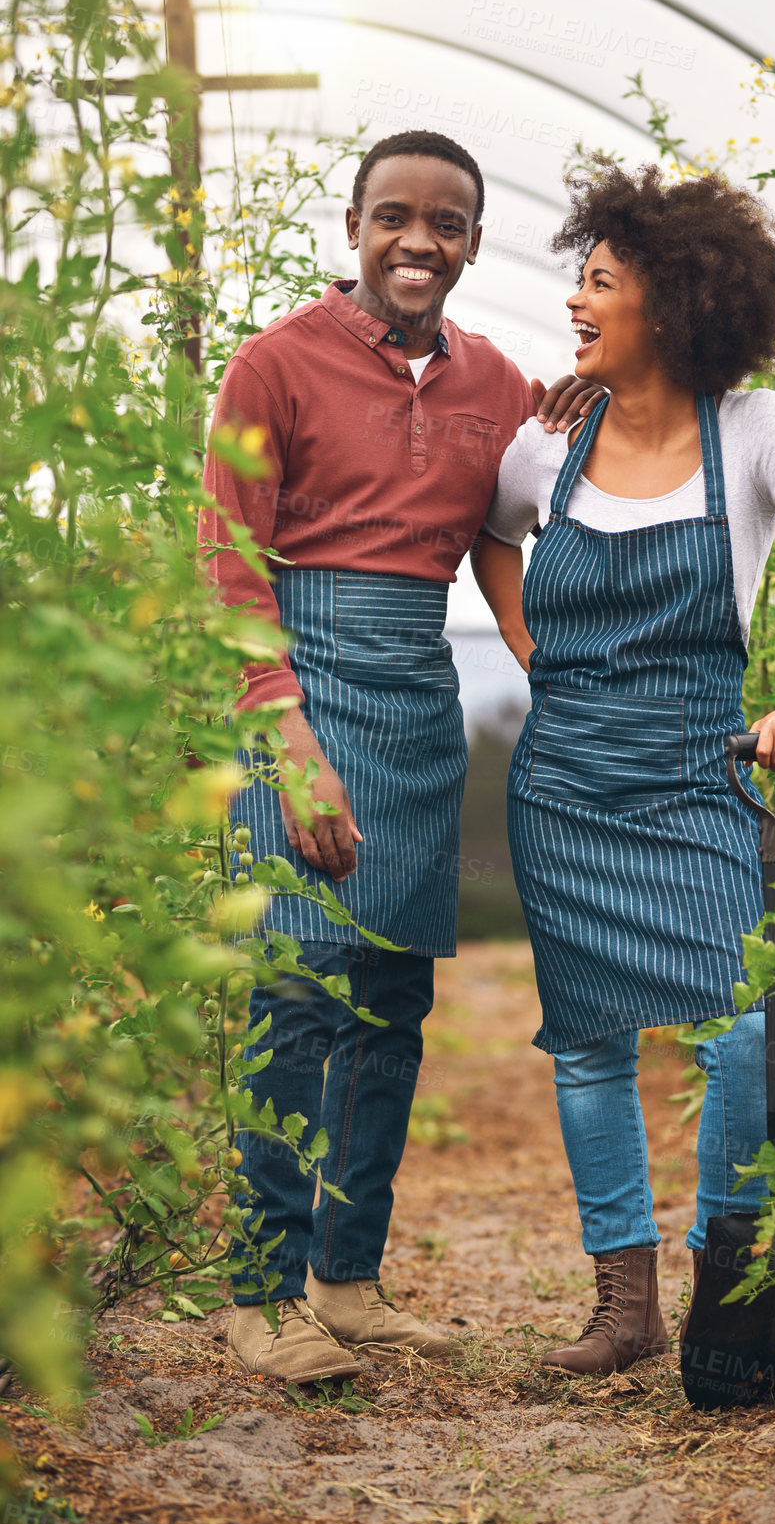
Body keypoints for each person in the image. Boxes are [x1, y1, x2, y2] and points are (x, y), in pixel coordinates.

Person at [473, 163, 775, 1376]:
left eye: (599, 282)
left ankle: (726, 1280)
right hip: (562, 784)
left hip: (704, 776)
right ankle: (622, 1304)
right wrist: (525, 643)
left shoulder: (753, 428)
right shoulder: (547, 444)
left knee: (742, 1030)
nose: (575, 303)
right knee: (590, 1038)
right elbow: (492, 540)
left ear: (673, 298)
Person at [201, 130, 601, 1383]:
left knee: (390, 1001)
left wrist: (572, 421)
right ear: (356, 225)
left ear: (475, 240)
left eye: (446, 222)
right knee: (298, 983)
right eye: (393, 216)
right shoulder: (274, 365)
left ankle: (347, 1279)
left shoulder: (492, 379)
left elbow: (504, 516)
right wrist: (290, 738)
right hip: (298, 685)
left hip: (418, 687)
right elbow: (225, 565)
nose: (418, 241)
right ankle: (257, 1294)